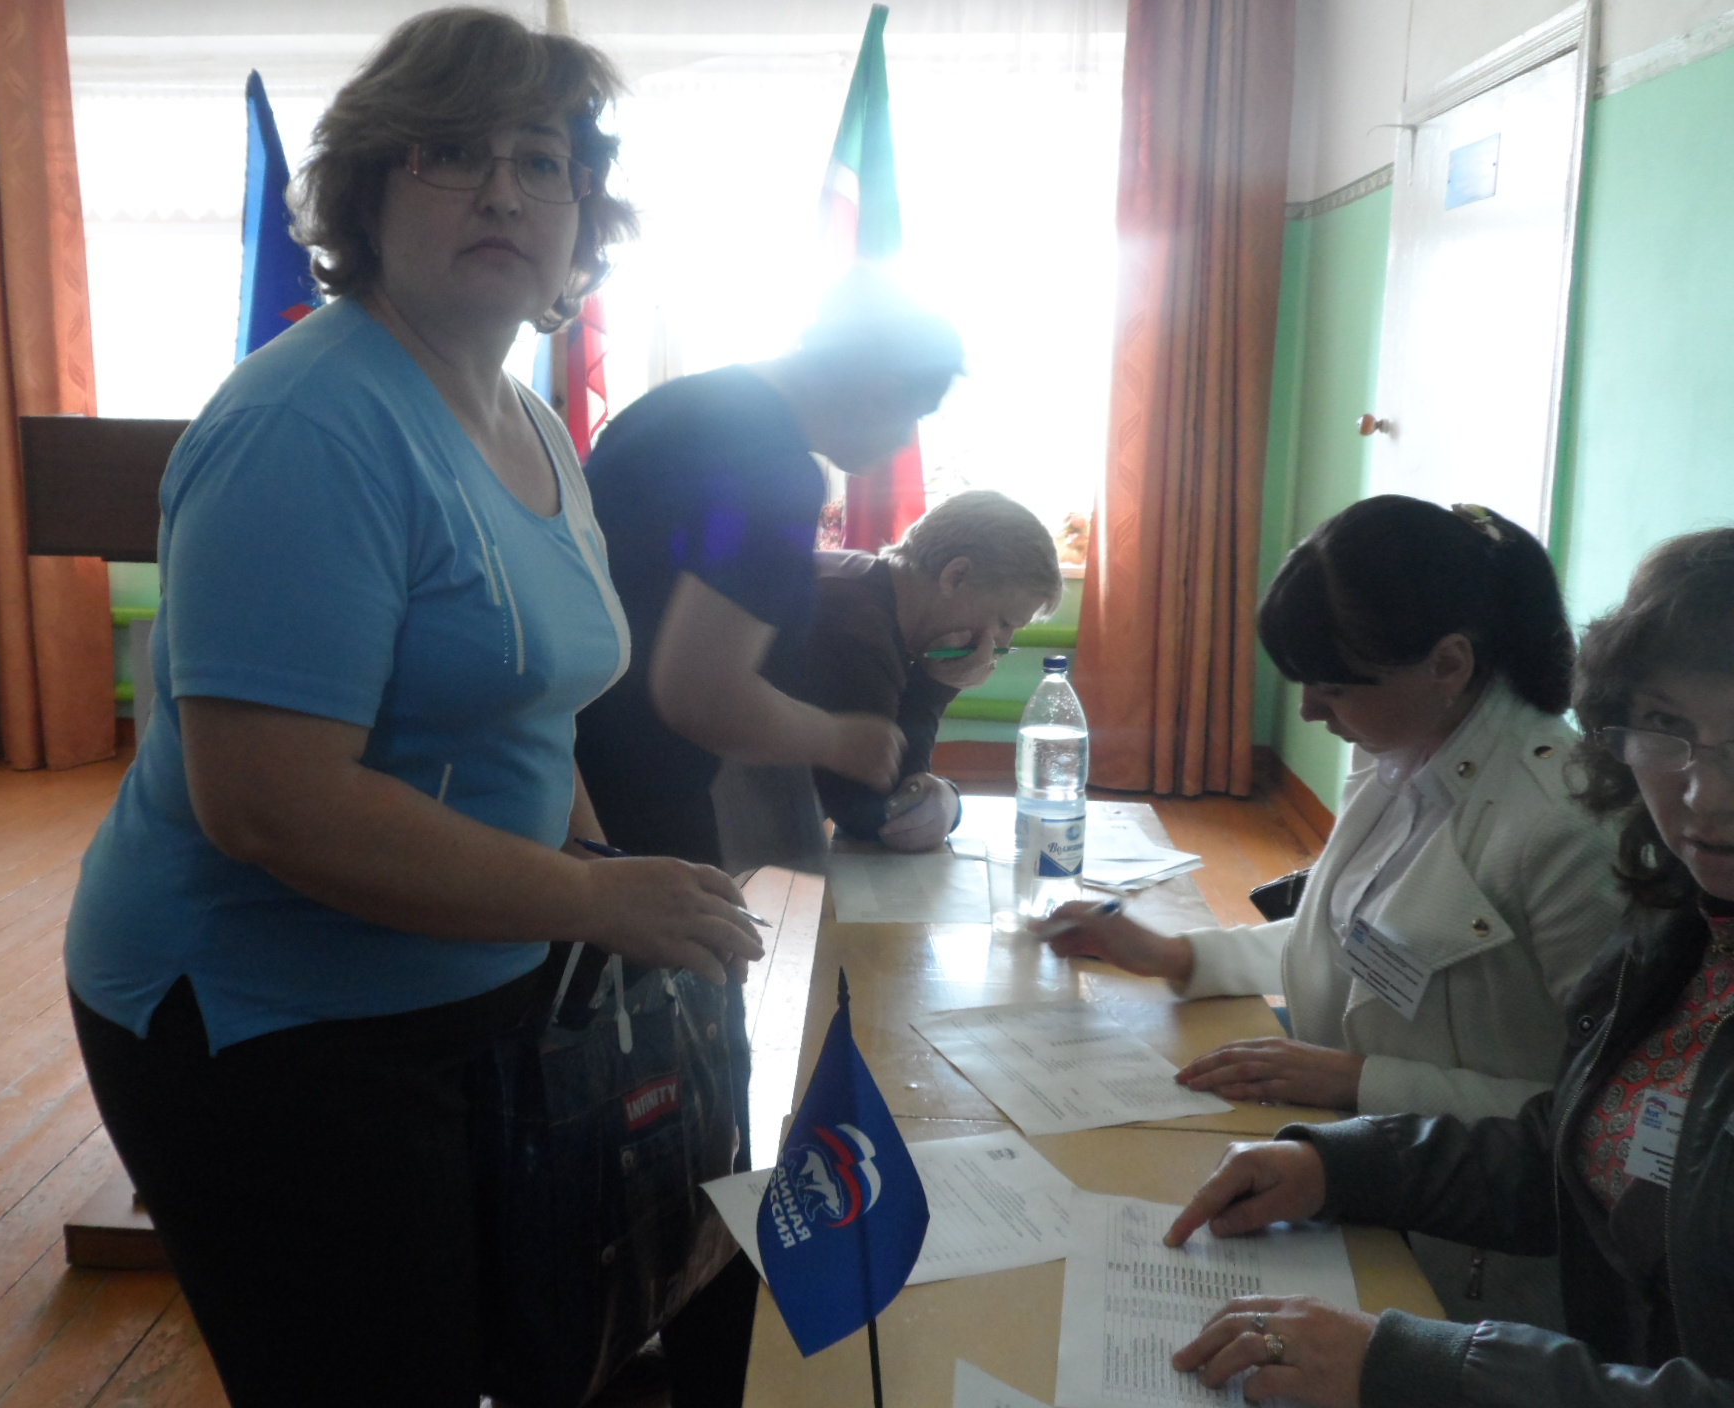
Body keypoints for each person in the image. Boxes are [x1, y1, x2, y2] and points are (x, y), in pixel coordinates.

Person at [61, 9, 762, 1408]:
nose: (504, 192)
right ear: (368, 195)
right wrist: (591, 902)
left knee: (521, 1349)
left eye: (541, 161)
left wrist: (596, 875)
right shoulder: (307, 426)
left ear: (583, 214)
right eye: (453, 154)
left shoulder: (524, 414)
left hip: (471, 979)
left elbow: (536, 707)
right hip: (275, 1023)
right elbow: (271, 805)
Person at [1162, 528, 1734, 1408]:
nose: (1706, 796)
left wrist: (1418, 1366)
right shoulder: (1685, 927)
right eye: (1666, 727)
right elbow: (1583, 1146)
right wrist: (1342, 1165)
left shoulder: (1572, 835)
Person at [1044, 496, 1627, 1323]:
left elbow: (1599, 1123)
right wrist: (1182, 957)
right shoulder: (1400, 751)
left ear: (1449, 664)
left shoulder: (1565, 826)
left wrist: (1359, 1079)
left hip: (1477, 1268)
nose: (1311, 712)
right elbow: (1367, 940)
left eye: (1333, 686)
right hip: (1348, 1162)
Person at [573, 271, 966, 870]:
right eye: (914, 416)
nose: (904, 442)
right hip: (628, 791)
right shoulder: (773, 473)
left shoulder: (684, 405)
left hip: (561, 758)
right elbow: (700, 693)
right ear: (880, 392)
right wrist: (838, 738)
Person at [790, 489, 1062, 851]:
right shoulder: (857, 631)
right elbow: (884, 816)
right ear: (956, 576)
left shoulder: (863, 580)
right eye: (1004, 622)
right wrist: (935, 689)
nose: (1000, 644)